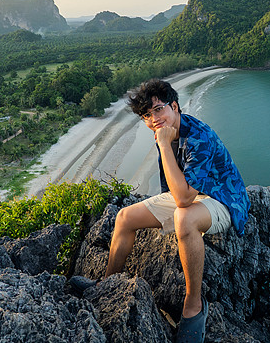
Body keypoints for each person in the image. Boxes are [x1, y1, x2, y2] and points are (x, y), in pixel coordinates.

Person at [71, 78, 250, 343]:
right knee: (124, 217)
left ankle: (193, 306)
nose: (153, 119)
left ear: (174, 106)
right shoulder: (166, 131)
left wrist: (164, 145)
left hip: (222, 198)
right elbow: (175, 189)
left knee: (184, 218)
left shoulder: (199, 137)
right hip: (189, 193)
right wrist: (165, 144)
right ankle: (108, 284)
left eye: (158, 109)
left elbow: (183, 199)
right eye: (146, 115)